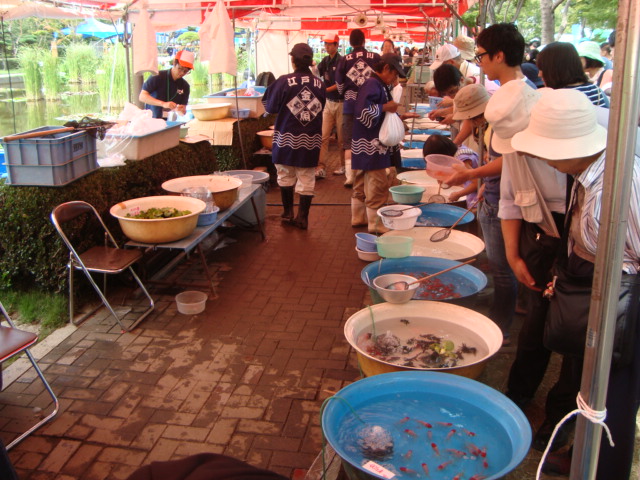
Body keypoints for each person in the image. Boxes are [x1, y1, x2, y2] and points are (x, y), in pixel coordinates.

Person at [511, 88, 640, 480]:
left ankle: (603, 466)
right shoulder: (586, 175)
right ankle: (583, 449)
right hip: (592, 289)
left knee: (612, 394)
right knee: (588, 383)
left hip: (621, 302)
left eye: (545, 148)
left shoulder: (618, 189)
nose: (540, 156)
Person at [476, 22, 573, 453]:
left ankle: (560, 421)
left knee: (571, 335)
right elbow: (513, 201)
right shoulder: (513, 140)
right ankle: (518, 395)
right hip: (539, 234)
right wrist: (515, 255)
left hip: (579, 237)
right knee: (535, 321)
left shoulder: (568, 139)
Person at [445, 83, 519, 344]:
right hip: (492, 195)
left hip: (503, 202)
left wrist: (472, 176)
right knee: (501, 267)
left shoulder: (499, 127)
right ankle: (501, 313)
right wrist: (480, 187)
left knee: (503, 269)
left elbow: (506, 163)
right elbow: (493, 168)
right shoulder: (489, 127)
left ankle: (502, 329)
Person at [262, 43, 326, 230]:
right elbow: (321, 105)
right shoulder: (319, 84)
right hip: (311, 138)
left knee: (284, 174)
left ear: (293, 61)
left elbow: (270, 106)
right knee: (307, 178)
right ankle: (303, 218)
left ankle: (288, 211)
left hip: (286, 138)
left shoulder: (283, 81)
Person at [350, 54, 408, 234]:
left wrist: (398, 116)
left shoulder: (377, 85)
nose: (395, 78)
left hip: (364, 143)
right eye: (394, 74)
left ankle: (358, 217)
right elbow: (362, 112)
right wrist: (385, 107)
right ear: (386, 69)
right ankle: (375, 224)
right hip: (372, 144)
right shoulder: (373, 84)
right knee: (377, 182)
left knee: (361, 180)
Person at [335, 29, 381, 187]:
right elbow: (381, 80)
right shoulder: (375, 57)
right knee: (370, 138)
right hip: (371, 105)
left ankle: (350, 176)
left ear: (350, 42)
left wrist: (344, 94)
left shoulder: (344, 59)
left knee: (349, 141)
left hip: (350, 104)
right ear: (364, 41)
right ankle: (368, 172)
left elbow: (339, 84)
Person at [536, 42, 609, 107]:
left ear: (555, 69)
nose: (539, 74)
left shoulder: (553, 99)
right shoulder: (596, 90)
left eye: (542, 69)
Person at [316, 33, 345, 179]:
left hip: (341, 103)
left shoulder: (341, 61)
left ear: (336, 45)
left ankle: (343, 165)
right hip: (328, 103)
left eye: (329, 44)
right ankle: (320, 167)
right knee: (323, 136)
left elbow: (341, 84)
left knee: (341, 139)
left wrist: (325, 90)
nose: (326, 46)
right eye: (325, 44)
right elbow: (318, 75)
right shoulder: (325, 61)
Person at [139, 50, 193, 119]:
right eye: (180, 68)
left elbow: (183, 111)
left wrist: (181, 110)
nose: (182, 73)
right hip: (152, 120)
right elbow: (142, 97)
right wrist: (163, 104)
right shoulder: (157, 76)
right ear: (174, 63)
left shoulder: (185, 86)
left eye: (186, 71)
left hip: (171, 122)